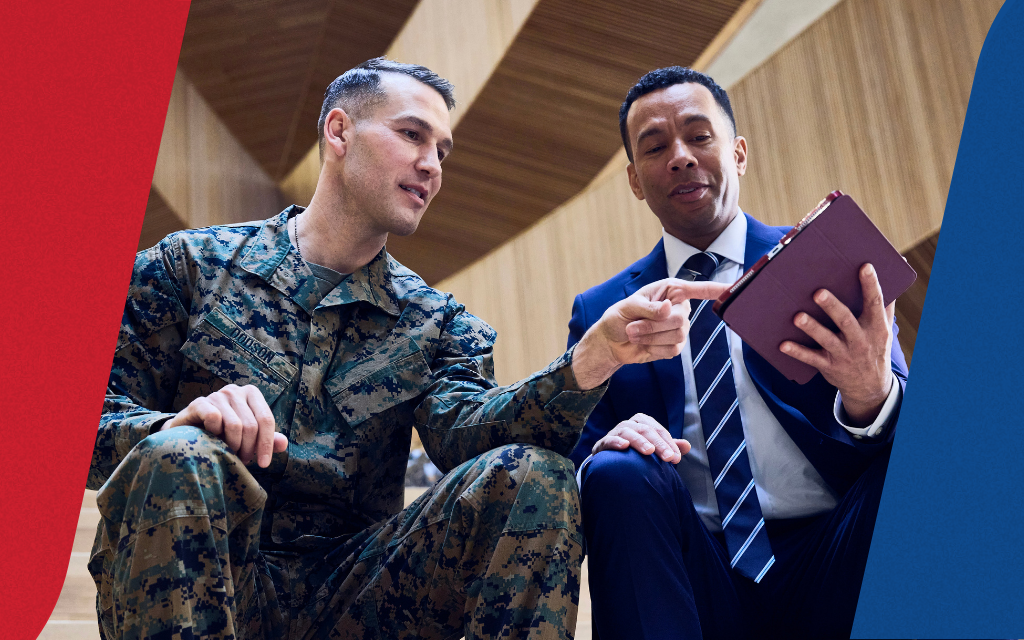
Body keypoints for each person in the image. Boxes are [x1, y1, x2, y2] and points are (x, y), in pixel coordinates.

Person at [87, 58, 726, 640]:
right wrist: (173, 425)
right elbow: (74, 431)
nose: (432, 165)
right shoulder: (190, 267)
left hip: (356, 600)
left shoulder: (438, 323)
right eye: (412, 135)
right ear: (339, 131)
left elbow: (472, 440)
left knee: (536, 474)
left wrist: (593, 357)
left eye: (441, 150)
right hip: (197, 574)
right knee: (177, 453)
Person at [568, 67, 908, 639]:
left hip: (833, 549)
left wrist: (870, 394)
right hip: (692, 569)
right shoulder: (605, 311)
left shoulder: (824, 259)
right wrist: (613, 444)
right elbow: (579, 461)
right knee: (617, 470)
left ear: (739, 153)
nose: (680, 157)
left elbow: (908, 434)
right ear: (634, 180)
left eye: (699, 137)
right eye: (655, 147)